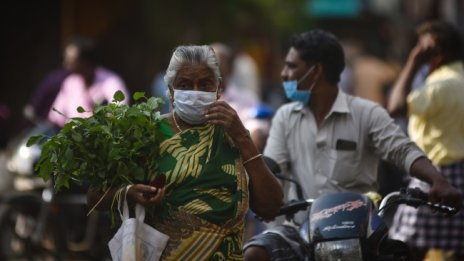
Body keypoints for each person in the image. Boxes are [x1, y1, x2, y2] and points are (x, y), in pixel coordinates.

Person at [242, 29, 463, 261]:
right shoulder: (285, 117)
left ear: (315, 71)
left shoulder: (366, 113)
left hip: (359, 230)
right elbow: (272, 165)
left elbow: (402, 150)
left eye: (291, 66)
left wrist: (438, 181)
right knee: (255, 253)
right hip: (300, 228)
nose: (284, 74)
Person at [87, 45, 283, 260]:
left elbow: (270, 207)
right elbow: (95, 197)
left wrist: (242, 137)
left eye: (205, 84)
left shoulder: (233, 133)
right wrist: (129, 193)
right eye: (185, 85)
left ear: (218, 89)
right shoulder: (148, 134)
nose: (195, 92)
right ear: (170, 91)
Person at [387, 20, 464, 261]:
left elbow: (395, 105)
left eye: (422, 47)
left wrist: (413, 62)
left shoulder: (439, 85)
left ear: (436, 52)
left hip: (433, 175)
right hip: (460, 173)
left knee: (408, 248)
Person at [48, 36, 129, 128]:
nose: (65, 64)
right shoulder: (70, 83)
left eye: (71, 60)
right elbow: (55, 117)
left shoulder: (111, 81)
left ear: (86, 61)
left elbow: (119, 111)